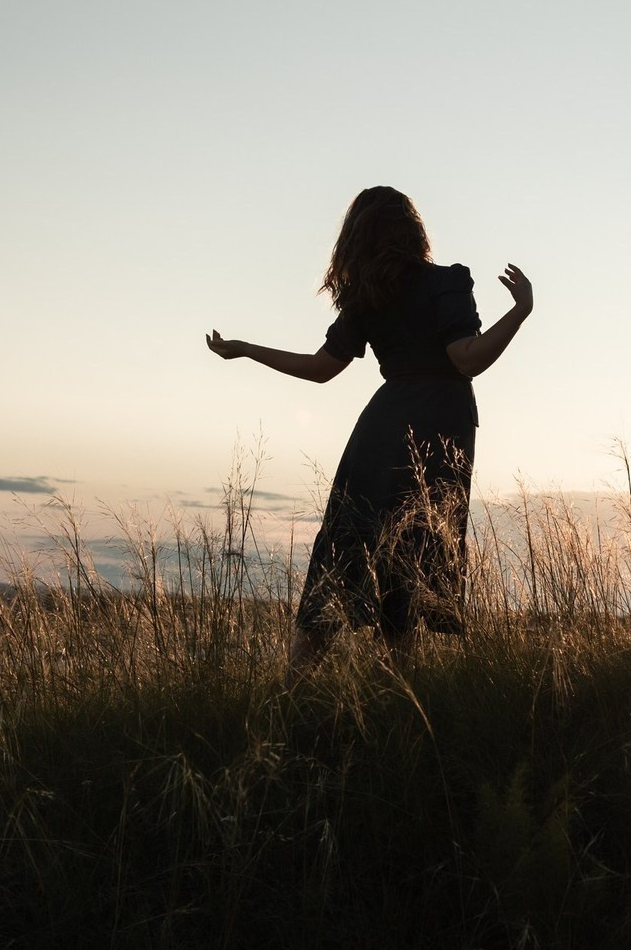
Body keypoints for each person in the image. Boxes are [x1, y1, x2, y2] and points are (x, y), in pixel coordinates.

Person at [206, 186, 532, 671]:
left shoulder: (368, 296)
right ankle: (397, 698)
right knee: (411, 557)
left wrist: (248, 349)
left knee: (345, 549)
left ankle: (295, 689)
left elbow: (321, 368)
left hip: (381, 429)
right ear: (413, 228)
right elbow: (467, 358)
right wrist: (520, 311)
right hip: (438, 427)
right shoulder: (445, 282)